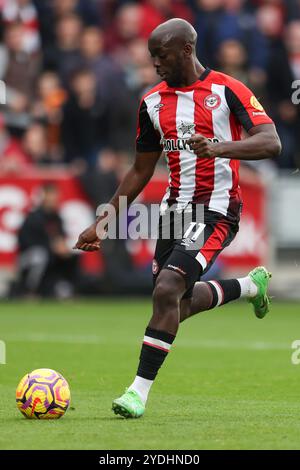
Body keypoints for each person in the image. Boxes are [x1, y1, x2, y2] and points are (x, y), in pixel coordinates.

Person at [74, 18, 281, 419]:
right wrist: (103, 221)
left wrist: (219, 148)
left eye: (161, 55)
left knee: (167, 289)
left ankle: (137, 393)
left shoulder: (227, 89)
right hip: (173, 213)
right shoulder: (152, 102)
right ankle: (248, 287)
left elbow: (271, 142)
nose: (155, 64)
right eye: (152, 56)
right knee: (174, 302)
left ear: (186, 49)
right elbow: (139, 170)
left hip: (217, 208)